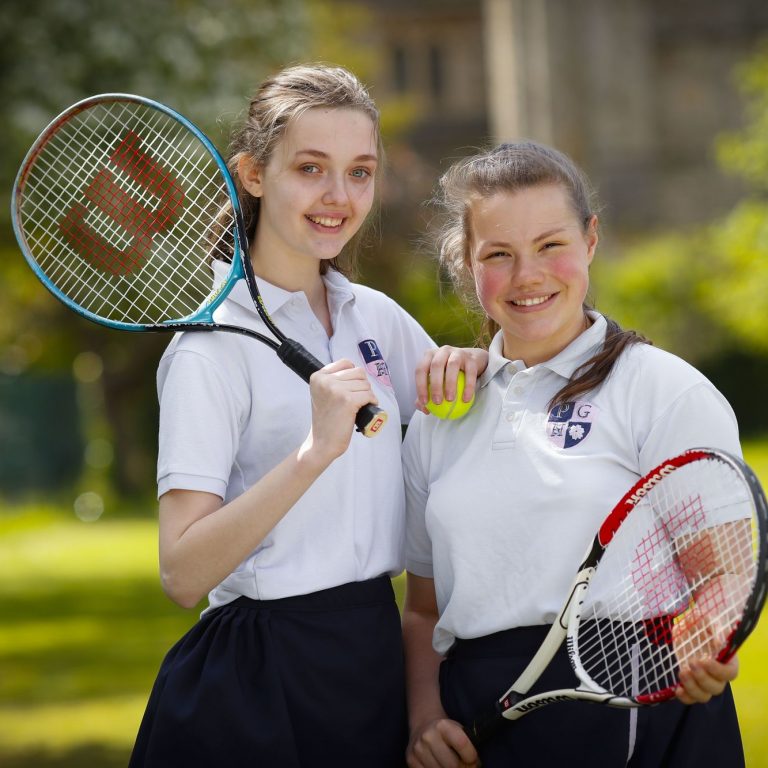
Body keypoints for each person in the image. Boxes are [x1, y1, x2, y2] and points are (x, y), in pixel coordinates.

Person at [128, 63, 485, 768]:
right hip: (259, 680)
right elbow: (182, 572)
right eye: (311, 169)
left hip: (371, 656)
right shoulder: (208, 350)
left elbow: (470, 421)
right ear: (253, 175)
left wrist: (473, 369)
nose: (338, 196)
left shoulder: (374, 317)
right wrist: (314, 452)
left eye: (360, 172)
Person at [402, 141, 745, 768]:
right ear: (468, 265)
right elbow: (423, 610)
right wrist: (425, 716)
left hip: (634, 704)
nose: (528, 275)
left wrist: (707, 637)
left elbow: (721, 577)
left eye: (550, 245)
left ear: (590, 240)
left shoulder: (663, 390)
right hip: (478, 719)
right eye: (498, 255)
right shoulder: (437, 418)